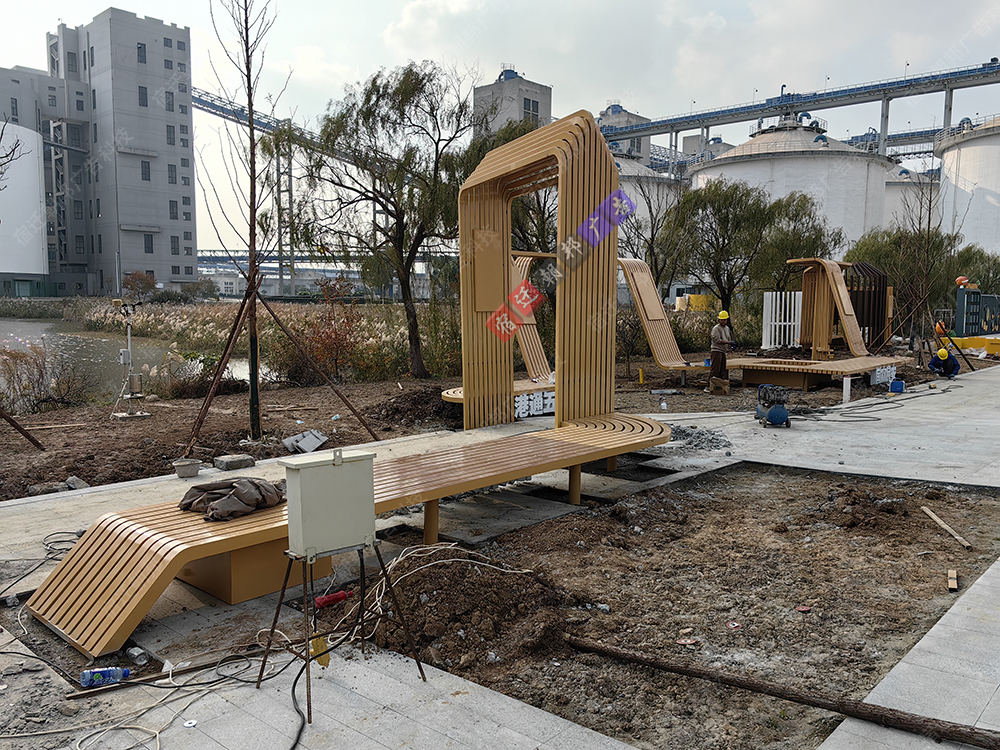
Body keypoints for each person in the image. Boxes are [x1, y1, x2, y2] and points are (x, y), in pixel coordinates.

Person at [707, 310, 734, 392]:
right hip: (716, 350)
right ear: (719, 320)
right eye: (721, 320)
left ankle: (720, 386)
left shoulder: (726, 328)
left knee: (722, 369)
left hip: (723, 351)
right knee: (715, 369)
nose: (723, 321)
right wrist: (728, 342)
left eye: (724, 320)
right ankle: (709, 386)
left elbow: (728, 338)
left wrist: (730, 345)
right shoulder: (716, 328)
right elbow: (717, 340)